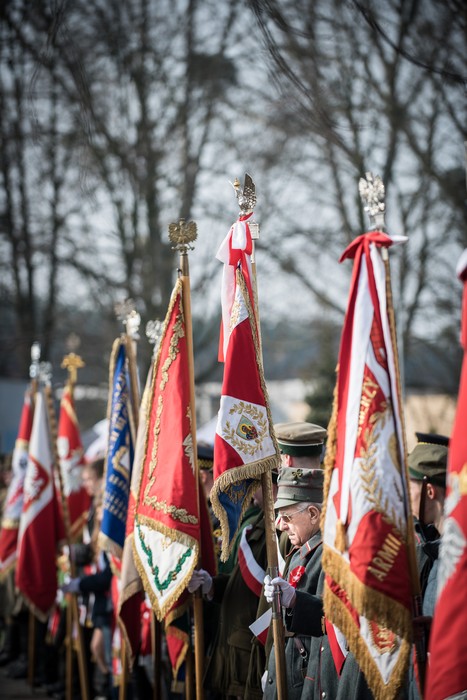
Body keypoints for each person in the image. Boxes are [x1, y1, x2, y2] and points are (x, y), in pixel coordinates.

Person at [187, 478, 276, 700]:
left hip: (252, 649)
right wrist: (211, 585)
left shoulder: (277, 527)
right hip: (235, 647)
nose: (251, 491)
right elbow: (240, 583)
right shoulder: (259, 521)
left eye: (256, 483)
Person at [262, 466, 335, 700]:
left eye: (287, 517)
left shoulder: (328, 555)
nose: (281, 525)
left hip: (307, 680)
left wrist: (295, 601)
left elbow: (332, 620)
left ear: (313, 514)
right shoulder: (302, 549)